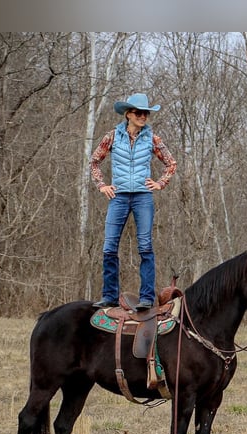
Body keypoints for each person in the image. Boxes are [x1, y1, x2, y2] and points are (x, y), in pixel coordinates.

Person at [89, 93, 177, 310]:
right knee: (110, 246)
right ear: (128, 114)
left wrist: (160, 183)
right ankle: (110, 295)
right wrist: (102, 185)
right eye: (138, 113)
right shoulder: (111, 137)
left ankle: (146, 297)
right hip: (118, 197)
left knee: (145, 246)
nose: (143, 116)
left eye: (146, 113)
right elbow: (94, 162)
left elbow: (171, 163)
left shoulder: (152, 139)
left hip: (142, 197)